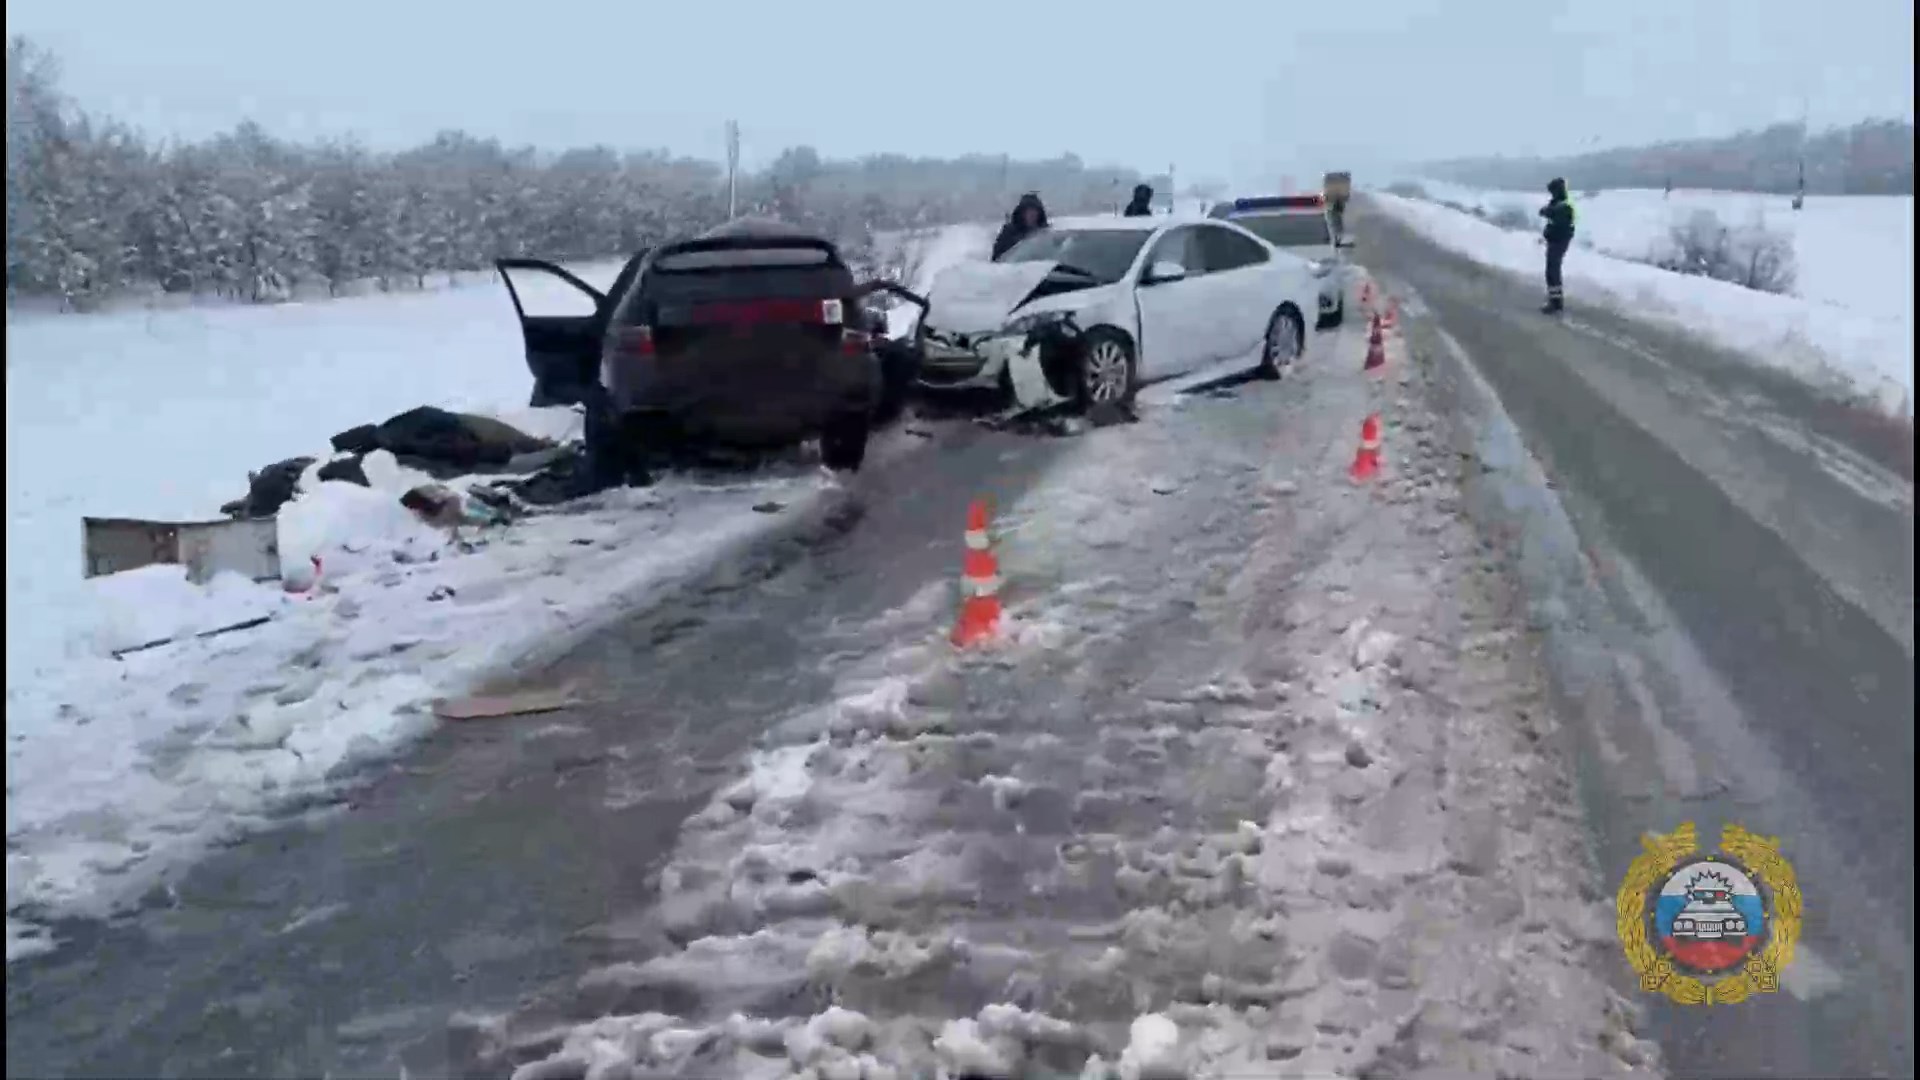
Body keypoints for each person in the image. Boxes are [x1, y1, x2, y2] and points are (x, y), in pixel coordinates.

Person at [1537, 177, 1576, 313]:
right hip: (1555, 241)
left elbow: (1554, 216)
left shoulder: (1564, 206)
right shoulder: (1559, 203)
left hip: (1558, 241)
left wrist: (1549, 212)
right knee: (1552, 271)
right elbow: (1546, 211)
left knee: (1552, 272)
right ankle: (1555, 301)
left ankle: (1555, 303)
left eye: (1552, 191)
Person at [992, 193, 1049, 260]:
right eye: (1028, 210)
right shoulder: (1009, 233)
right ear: (1021, 213)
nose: (1031, 214)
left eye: (1034, 210)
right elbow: (996, 259)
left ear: (1039, 213)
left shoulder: (1045, 234)